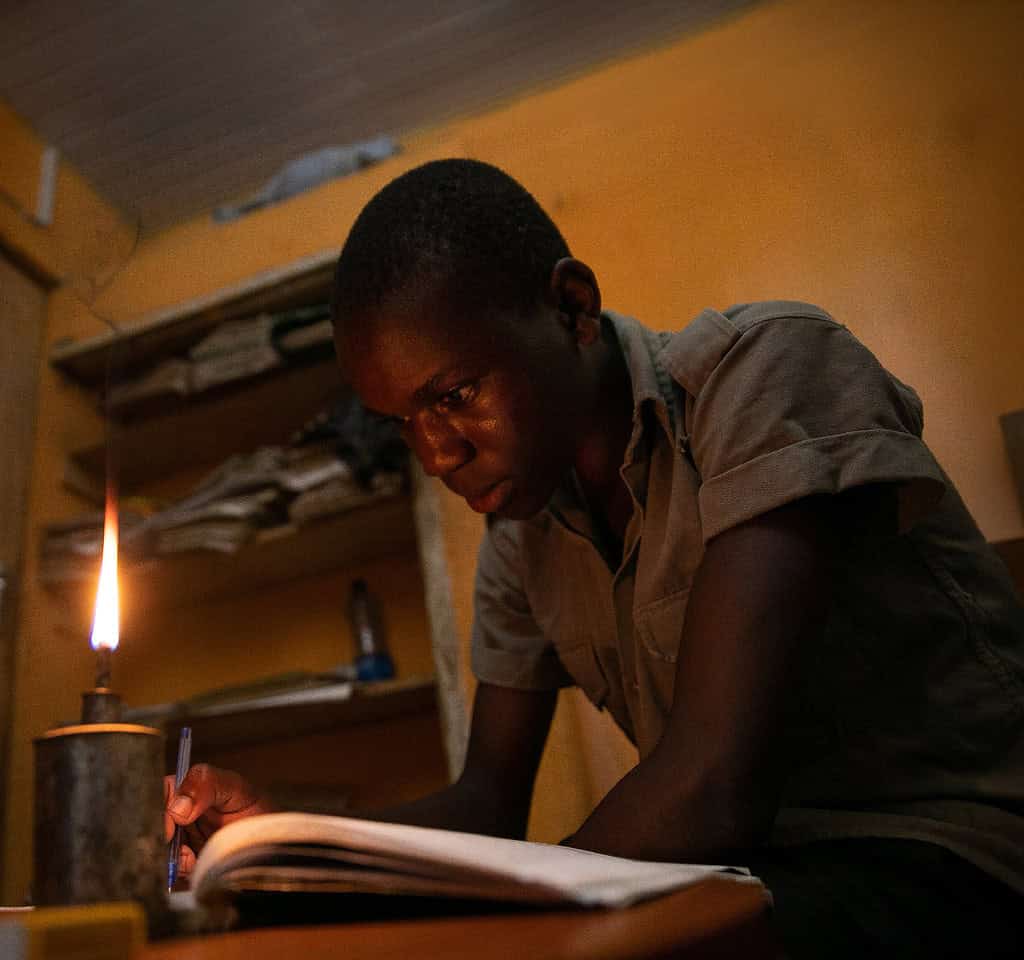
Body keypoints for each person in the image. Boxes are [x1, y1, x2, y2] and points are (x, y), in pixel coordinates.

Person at [166, 159, 1024, 956]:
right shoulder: (521, 537)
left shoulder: (765, 371)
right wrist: (291, 837)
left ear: (573, 308)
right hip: (756, 873)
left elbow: (711, 784)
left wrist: (506, 911)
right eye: (402, 424)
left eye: (455, 396)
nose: (435, 456)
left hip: (956, 856)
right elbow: (487, 801)